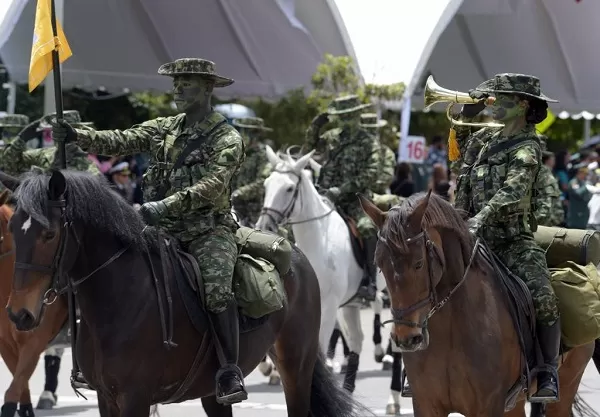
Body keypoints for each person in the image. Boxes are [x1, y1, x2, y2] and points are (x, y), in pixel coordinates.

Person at [52, 58, 248, 405]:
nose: (177, 90)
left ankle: (229, 370)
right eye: (175, 83)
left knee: (217, 287)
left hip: (207, 230)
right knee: (103, 269)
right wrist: (78, 135)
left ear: (206, 88)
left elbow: (214, 184)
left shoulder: (227, 136)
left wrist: (163, 206)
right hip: (157, 227)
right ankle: (95, 358)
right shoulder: (165, 127)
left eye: (185, 83)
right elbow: (120, 140)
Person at [453, 73, 560, 403]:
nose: (493, 103)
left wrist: (480, 218)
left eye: (502, 98)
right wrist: (465, 115)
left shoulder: (529, 146)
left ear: (523, 105)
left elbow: (513, 191)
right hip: (473, 238)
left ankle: (547, 372)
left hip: (512, 241)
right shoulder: (484, 139)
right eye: (493, 97)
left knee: (543, 295)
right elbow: (459, 166)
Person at [312, 95, 380, 301]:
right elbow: (310, 148)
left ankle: (369, 281)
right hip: (326, 197)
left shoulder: (368, 142)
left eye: (350, 115)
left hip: (355, 201)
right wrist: (316, 126)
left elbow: (372, 172)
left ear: (358, 115)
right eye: (342, 116)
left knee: (367, 228)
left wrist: (342, 189)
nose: (346, 120)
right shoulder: (332, 137)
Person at [3, 110, 100, 176]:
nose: (61, 135)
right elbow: (9, 163)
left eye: (67, 132)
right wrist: (21, 139)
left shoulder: (88, 166)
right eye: (57, 131)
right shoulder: (43, 154)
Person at [230, 117, 273, 227]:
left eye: (243, 131)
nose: (239, 134)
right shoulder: (236, 154)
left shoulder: (264, 156)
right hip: (231, 207)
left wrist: (240, 193)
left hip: (253, 213)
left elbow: (263, 182)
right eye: (238, 130)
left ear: (255, 135)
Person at [535, 139, 564, 227]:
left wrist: (540, 219)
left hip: (545, 220)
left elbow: (548, 198)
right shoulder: (541, 171)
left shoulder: (543, 172)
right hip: (545, 219)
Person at [566, 164, 592, 229]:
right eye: (584, 173)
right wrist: (586, 186)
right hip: (576, 214)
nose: (585, 175)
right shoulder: (574, 182)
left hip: (583, 213)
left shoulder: (583, 182)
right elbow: (577, 193)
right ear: (579, 173)